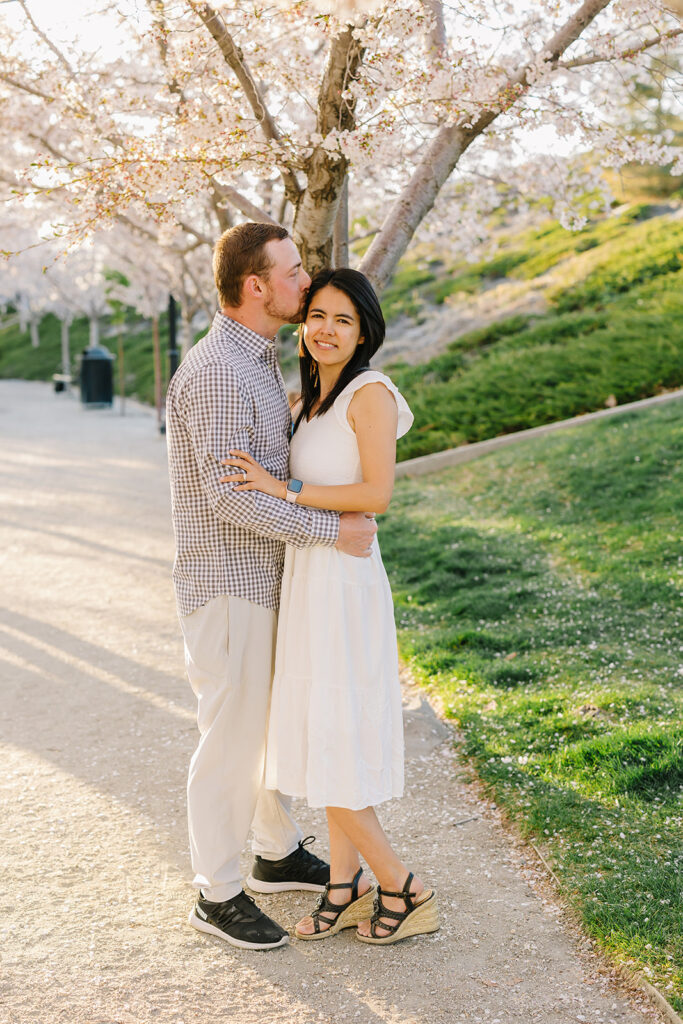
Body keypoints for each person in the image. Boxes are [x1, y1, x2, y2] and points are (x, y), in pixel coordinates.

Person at [165, 224, 378, 951]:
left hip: (259, 578)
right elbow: (227, 498)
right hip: (229, 583)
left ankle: (274, 849)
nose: (304, 281)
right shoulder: (221, 371)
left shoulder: (253, 360)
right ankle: (216, 892)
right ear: (256, 287)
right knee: (229, 739)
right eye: (292, 272)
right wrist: (332, 532)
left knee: (258, 729)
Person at [220, 268, 439, 945]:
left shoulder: (369, 394)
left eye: (343, 320)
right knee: (327, 731)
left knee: (331, 735)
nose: (325, 329)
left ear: (364, 330)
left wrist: (280, 485)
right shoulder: (309, 400)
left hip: (343, 581)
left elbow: (376, 495)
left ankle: (402, 886)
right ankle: (344, 889)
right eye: (317, 314)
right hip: (311, 574)